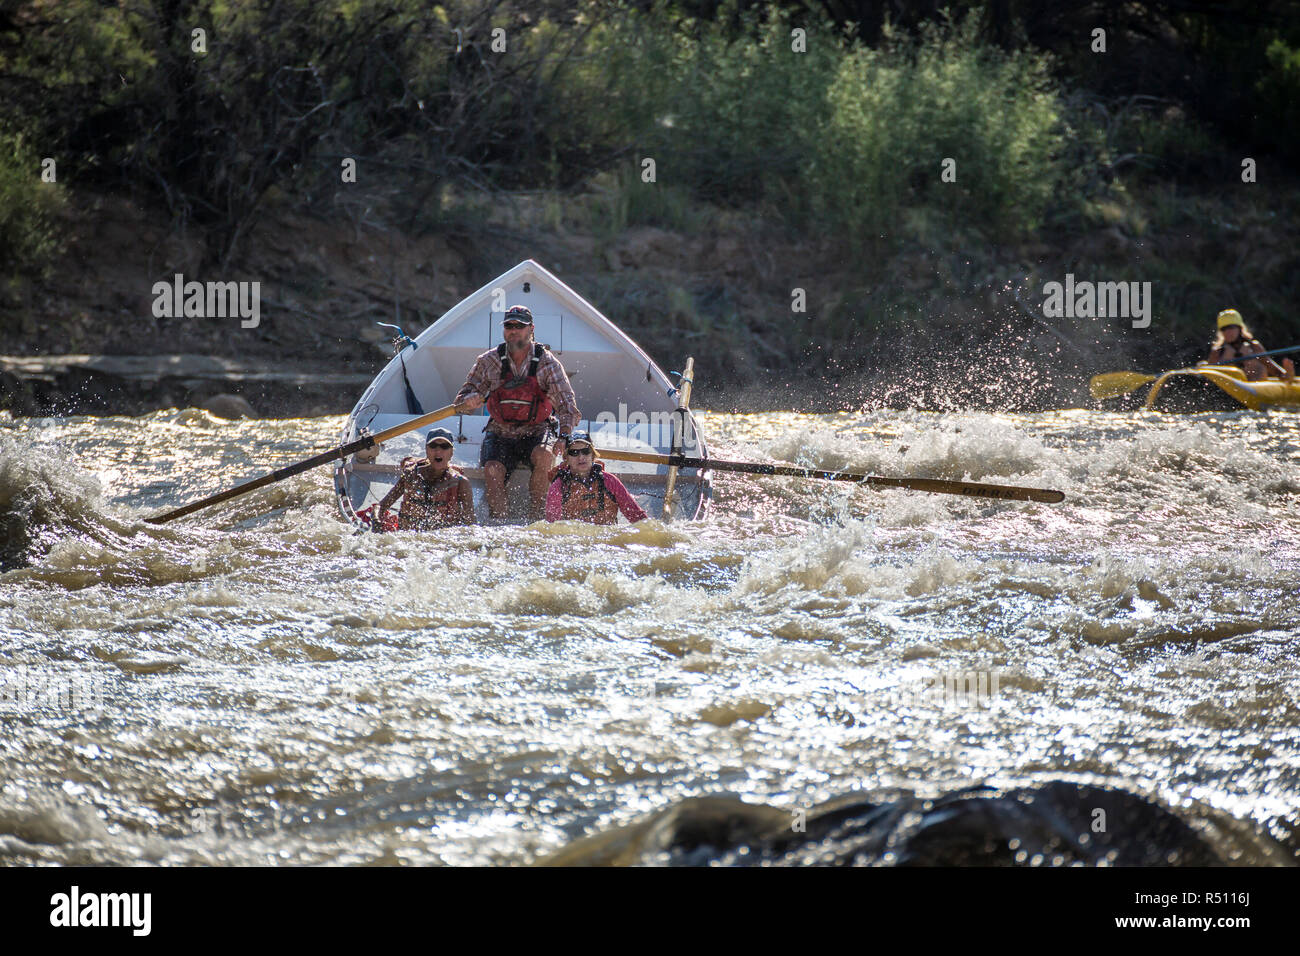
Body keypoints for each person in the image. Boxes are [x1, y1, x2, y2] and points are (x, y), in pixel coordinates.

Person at [454, 305, 581, 519]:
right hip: (500, 430)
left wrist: (565, 436)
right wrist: (469, 401)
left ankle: (536, 519)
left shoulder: (547, 363)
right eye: (509, 326)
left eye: (519, 326)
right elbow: (460, 401)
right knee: (492, 469)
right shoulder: (488, 361)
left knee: (544, 456)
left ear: (531, 329)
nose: (513, 330)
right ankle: (499, 523)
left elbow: (567, 405)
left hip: (538, 429)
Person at [376, 428, 475, 530]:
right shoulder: (410, 475)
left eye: (444, 446)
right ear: (426, 450)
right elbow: (381, 506)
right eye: (433, 446)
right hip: (407, 539)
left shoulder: (461, 483)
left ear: (451, 453)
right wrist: (376, 519)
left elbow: (470, 524)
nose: (438, 451)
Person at [545, 431, 648, 525]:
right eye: (574, 453)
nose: (581, 457)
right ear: (566, 458)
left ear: (593, 454)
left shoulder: (610, 481)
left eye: (585, 451)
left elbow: (637, 516)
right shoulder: (558, 487)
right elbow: (553, 526)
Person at [1206, 309, 1294, 382]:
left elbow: (1276, 372)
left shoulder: (1254, 348)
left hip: (1258, 391)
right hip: (1232, 394)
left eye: (1231, 327)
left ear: (1240, 328)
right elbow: (1208, 378)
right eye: (1224, 329)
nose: (1228, 332)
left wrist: (1288, 373)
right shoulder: (1217, 352)